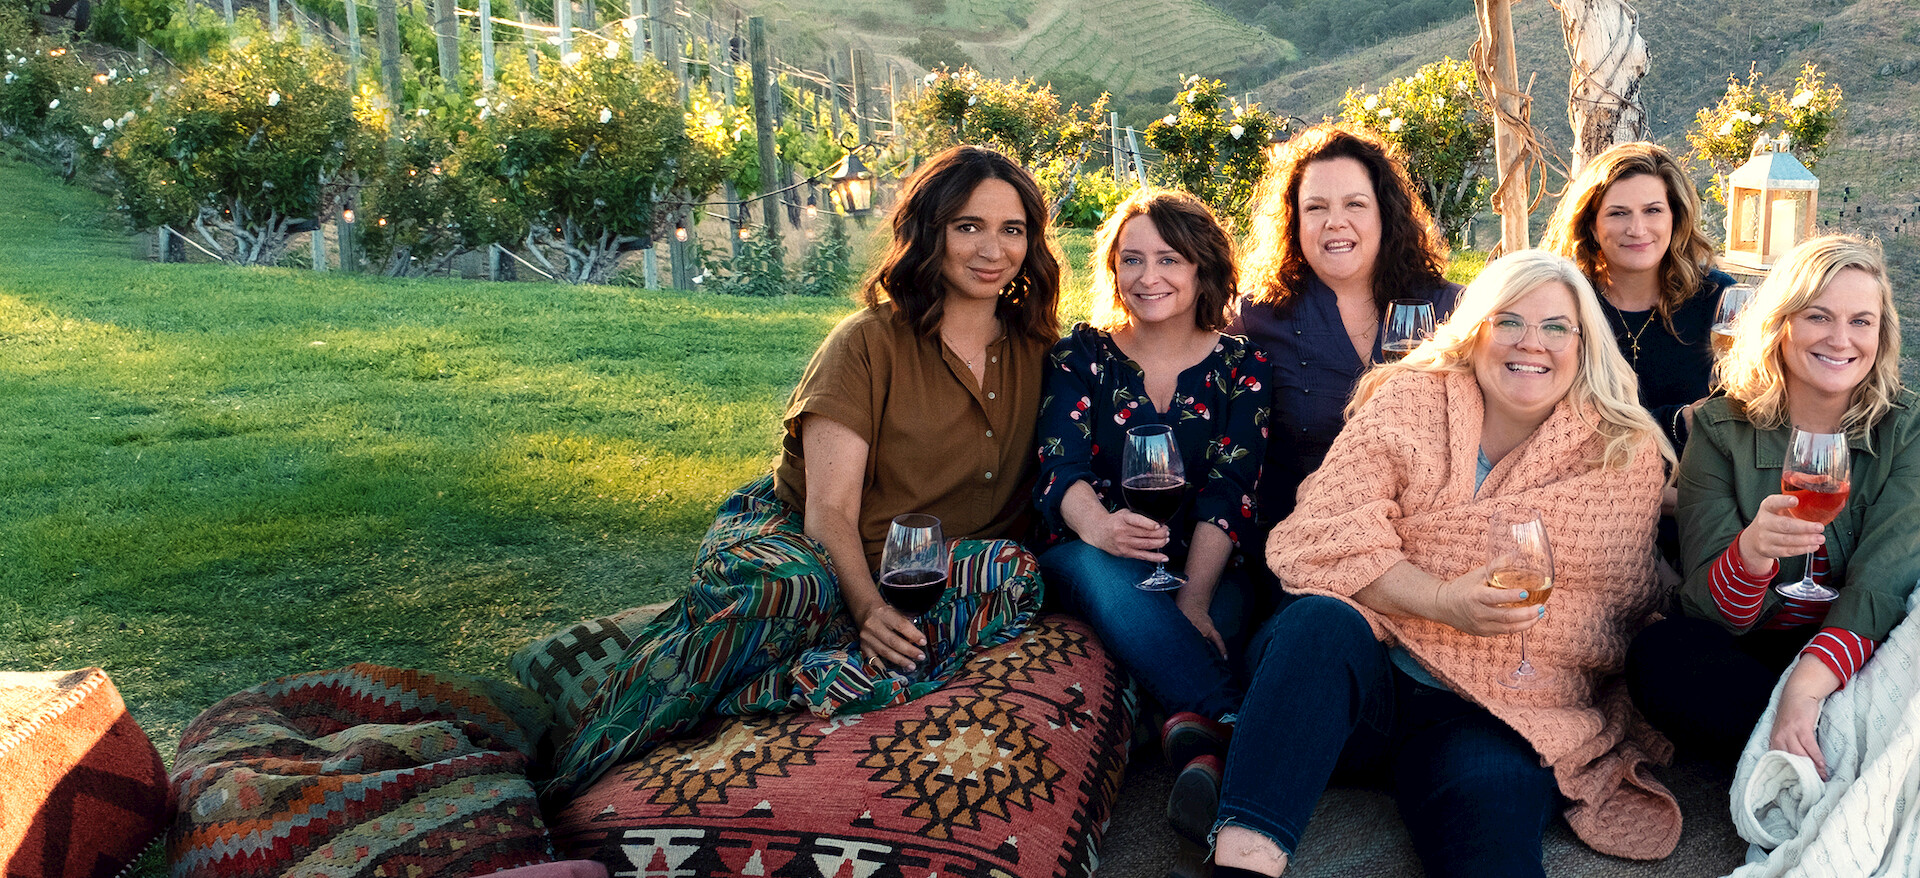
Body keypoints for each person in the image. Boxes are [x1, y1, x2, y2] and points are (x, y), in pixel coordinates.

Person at [543, 145, 1063, 801]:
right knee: (796, 587)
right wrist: (867, 607)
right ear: (930, 233)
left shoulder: (1044, 352)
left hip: (922, 566)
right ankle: (579, 769)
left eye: (1012, 229)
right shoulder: (865, 342)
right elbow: (829, 511)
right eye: (969, 226)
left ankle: (783, 675)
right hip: (801, 535)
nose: (993, 249)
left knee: (1012, 575)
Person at [1195, 250, 1683, 877]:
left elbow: (1606, 609)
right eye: (1509, 321)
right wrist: (1441, 601)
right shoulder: (1409, 399)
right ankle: (1242, 863)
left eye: (1556, 327)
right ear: (1475, 330)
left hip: (1501, 709)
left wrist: (1405, 555)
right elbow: (1324, 533)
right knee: (1318, 622)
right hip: (1358, 681)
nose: (1531, 343)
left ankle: (1229, 756)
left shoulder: (1621, 452)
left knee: (1492, 841)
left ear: (1583, 344)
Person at [1626, 234, 1919, 779]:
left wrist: (1806, 689)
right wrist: (1752, 553)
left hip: (1864, 646)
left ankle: (1798, 736)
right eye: (1818, 317)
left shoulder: (1907, 430)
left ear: (1881, 334)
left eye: (1861, 321)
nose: (1840, 339)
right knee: (1661, 656)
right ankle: (1829, 744)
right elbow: (1712, 612)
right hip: (1756, 651)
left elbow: (1882, 585)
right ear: (1780, 324)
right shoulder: (1720, 428)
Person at [1032, 189, 1271, 778]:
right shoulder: (1079, 356)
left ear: (1201, 268)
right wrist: (1101, 528)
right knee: (1118, 589)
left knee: (1212, 633)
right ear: (1113, 269)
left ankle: (1196, 754)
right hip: (1093, 554)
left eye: (1169, 259)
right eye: (1132, 259)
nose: (1148, 277)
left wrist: (1194, 598)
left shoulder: (1244, 366)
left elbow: (1231, 488)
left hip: (1207, 564)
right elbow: (1060, 465)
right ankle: (1236, 729)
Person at [1230, 123, 1460, 526]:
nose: (1335, 222)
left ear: (1385, 213)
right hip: (1301, 539)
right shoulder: (1256, 317)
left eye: (1355, 204)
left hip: (1425, 536)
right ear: (1293, 222)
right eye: (1315, 208)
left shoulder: (1452, 309)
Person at [1542, 141, 1735, 454]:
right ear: (1592, 226)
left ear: (1675, 218)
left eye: (1652, 211)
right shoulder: (1564, 300)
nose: (1637, 229)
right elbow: (1546, 415)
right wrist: (1677, 422)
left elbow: (1746, 403)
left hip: (1696, 476)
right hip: (1584, 472)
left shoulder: (1718, 297)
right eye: (1618, 213)